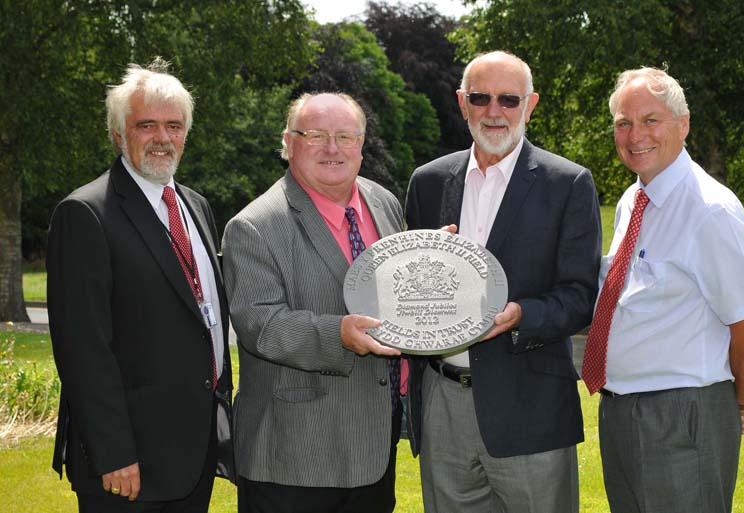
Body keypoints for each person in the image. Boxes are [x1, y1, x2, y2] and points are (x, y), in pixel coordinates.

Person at [405, 51, 602, 513]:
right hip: (442, 403)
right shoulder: (428, 181)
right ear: (462, 103)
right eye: (481, 97)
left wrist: (521, 316)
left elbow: (580, 295)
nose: (494, 111)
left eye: (508, 99)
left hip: (529, 403)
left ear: (529, 105)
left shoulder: (568, 183)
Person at [582, 67, 744, 513]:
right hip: (620, 413)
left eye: (651, 120)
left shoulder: (710, 211)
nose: (635, 135)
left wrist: (740, 404)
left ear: (683, 124)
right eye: (623, 123)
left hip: (681, 416)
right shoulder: (634, 200)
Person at [47, 57, 234, 512]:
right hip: (129, 465)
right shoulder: (86, 213)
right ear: (118, 134)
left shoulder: (195, 206)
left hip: (193, 451)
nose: (162, 138)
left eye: (173, 125)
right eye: (146, 125)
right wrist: (113, 453)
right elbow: (83, 349)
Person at [222, 92, 404, 513]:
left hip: (376, 448)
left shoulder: (384, 204)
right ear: (288, 142)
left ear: (361, 143)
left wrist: (430, 262)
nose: (333, 148)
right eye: (316, 135)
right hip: (295, 458)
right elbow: (260, 325)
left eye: (345, 136)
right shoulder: (254, 226)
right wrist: (337, 334)